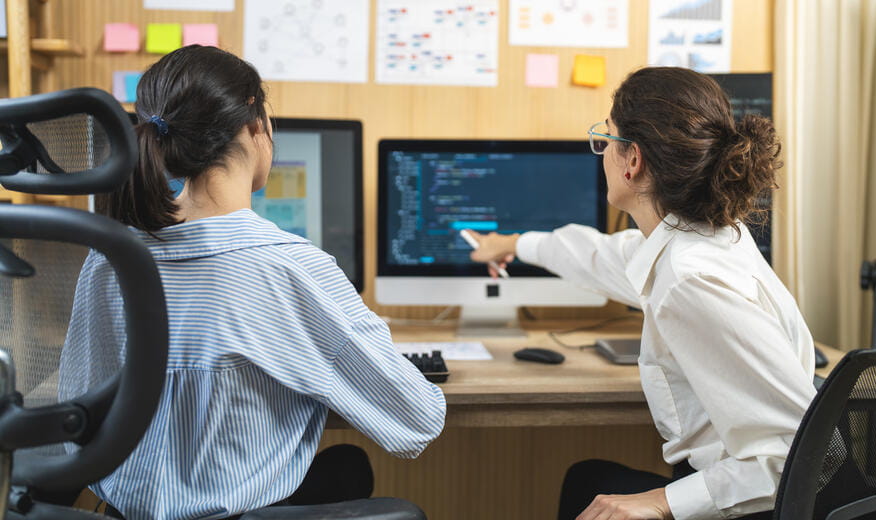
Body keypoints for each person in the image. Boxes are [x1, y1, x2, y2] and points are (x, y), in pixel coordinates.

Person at [59, 45, 446, 520]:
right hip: (234, 510)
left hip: (117, 509)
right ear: (255, 126)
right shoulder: (291, 268)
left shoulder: (109, 258)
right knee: (349, 465)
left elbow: (76, 418)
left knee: (345, 465)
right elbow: (417, 419)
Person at [467, 67, 816, 520]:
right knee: (587, 478)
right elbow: (603, 255)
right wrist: (512, 244)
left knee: (590, 487)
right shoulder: (699, 238)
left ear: (632, 161)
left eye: (606, 139)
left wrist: (661, 503)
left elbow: (796, 458)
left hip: (750, 502)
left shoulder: (692, 282)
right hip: (732, 484)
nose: (602, 153)